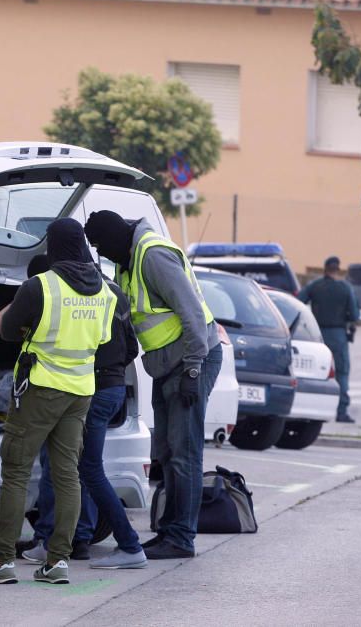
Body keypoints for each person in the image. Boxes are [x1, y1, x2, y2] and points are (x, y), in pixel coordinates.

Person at [0, 218, 116, 586]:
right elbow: (102, 338)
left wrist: (29, 329)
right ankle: (58, 563)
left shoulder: (40, 286)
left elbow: (7, 332)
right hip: (81, 392)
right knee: (67, 474)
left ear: (53, 247)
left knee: (17, 470)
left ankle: (2, 561)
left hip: (39, 388)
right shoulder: (105, 291)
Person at [84, 210, 222, 560]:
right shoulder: (128, 260)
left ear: (115, 238)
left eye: (101, 246)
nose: (102, 253)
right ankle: (168, 530)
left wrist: (192, 371)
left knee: (184, 452)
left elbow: (191, 314)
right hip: (167, 365)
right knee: (167, 450)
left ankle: (181, 536)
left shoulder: (152, 255)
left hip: (192, 361)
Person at [23, 264, 147, 569]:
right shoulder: (114, 293)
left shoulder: (73, 295)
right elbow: (131, 345)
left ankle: (55, 539)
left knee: (63, 463)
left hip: (87, 388)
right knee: (85, 466)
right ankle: (80, 538)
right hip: (114, 389)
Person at [298, 256, 360, 423]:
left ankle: (309, 410)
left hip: (317, 334)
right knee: (341, 373)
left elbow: (299, 302)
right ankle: (341, 411)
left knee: (315, 372)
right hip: (338, 335)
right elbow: (354, 315)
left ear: (325, 269)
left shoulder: (315, 286)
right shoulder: (345, 288)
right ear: (337, 269)